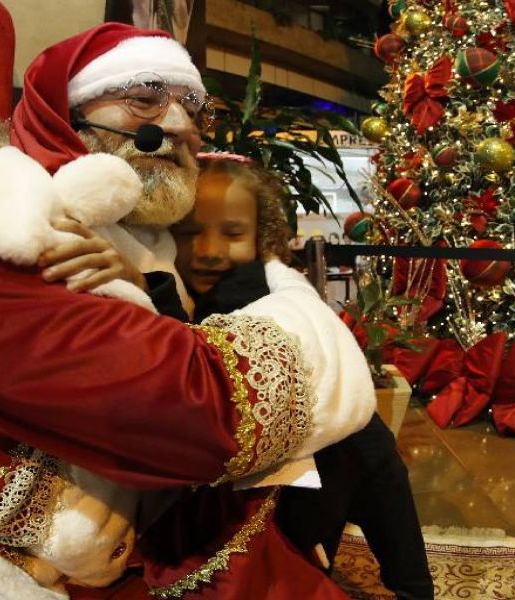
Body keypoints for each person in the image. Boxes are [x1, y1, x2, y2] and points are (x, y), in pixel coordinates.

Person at [0, 23, 375, 600]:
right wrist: (306, 316)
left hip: (108, 537)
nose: (180, 125)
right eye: (145, 97)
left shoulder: (140, 238)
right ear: (65, 112)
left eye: (193, 106)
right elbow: (197, 410)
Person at [169, 154, 434, 600]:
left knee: (356, 464)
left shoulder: (248, 291)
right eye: (192, 233)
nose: (210, 250)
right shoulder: (247, 287)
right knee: (370, 465)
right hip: (293, 473)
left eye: (232, 234)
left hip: (309, 468)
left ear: (260, 240)